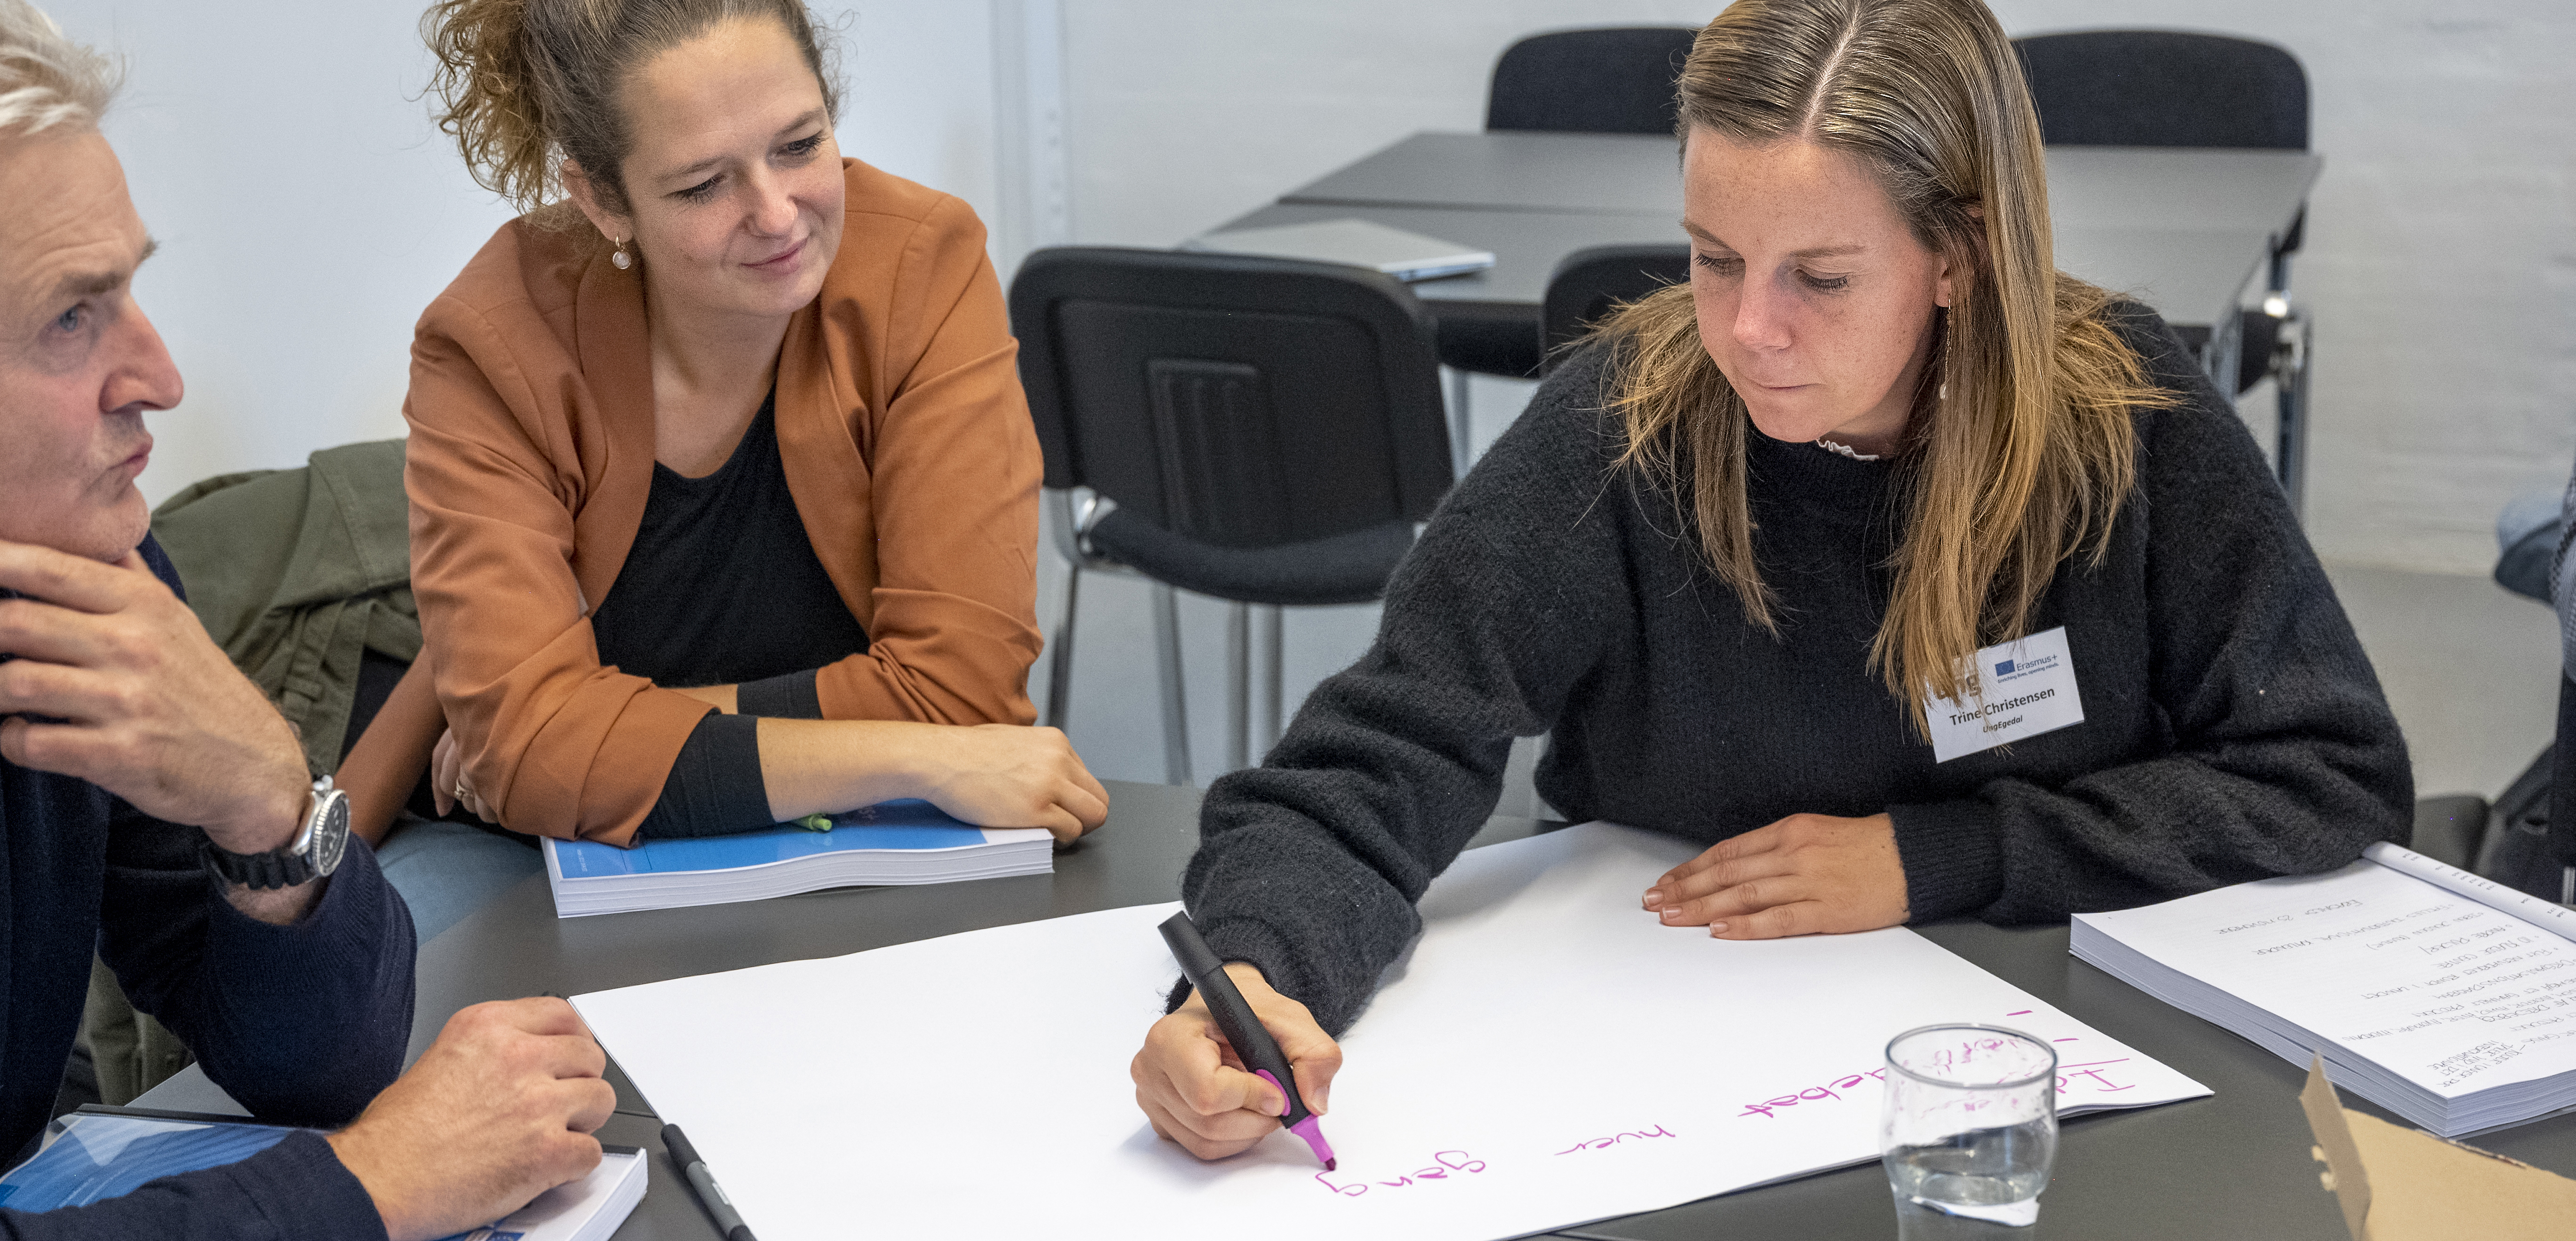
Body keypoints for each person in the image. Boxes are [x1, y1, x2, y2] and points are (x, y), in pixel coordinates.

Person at [1129, 0, 2414, 1161]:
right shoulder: (1622, 429)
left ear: (1957, 255)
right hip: (1678, 1060)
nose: (1750, 330)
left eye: (1823, 277)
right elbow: (1376, 757)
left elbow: (2328, 768)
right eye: (1712, 257)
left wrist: (1942, 856)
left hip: (2051, 1068)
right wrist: (1250, 979)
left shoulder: (2121, 418)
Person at [0, 2, 615, 1235]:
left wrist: (274, 803)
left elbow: (321, 1065)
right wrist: (376, 1188)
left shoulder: (54, 571)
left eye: (131, 294)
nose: (160, 378)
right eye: (73, 317)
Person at [334, 0, 1106, 926]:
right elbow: (522, 756)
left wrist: (587, 736)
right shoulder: (493, 343)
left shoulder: (921, 267)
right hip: (537, 853)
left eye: (800, 144)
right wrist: (910, 753)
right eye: (704, 186)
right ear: (603, 200)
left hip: (852, 831)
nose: (777, 214)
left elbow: (961, 689)